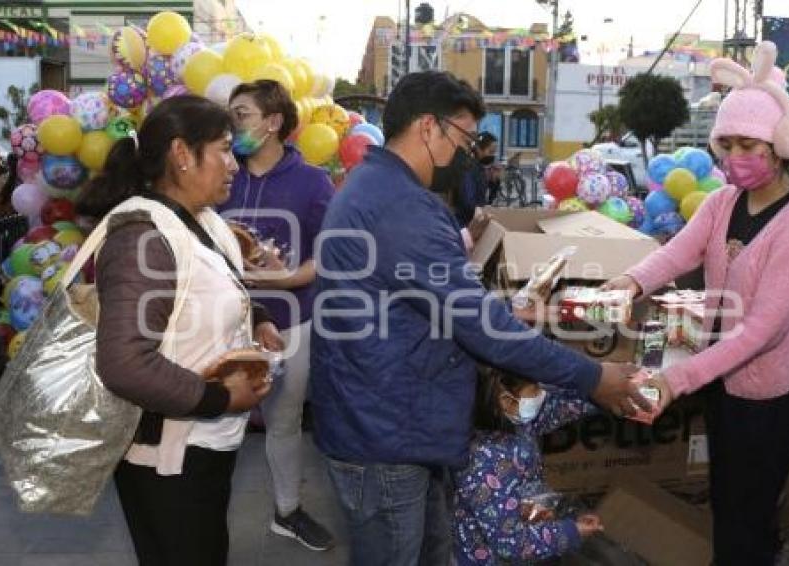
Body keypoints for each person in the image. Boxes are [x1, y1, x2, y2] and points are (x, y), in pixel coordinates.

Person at [311, 70, 649, 566]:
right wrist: (595, 377)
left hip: (385, 420)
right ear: (429, 127)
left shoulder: (373, 186)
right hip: (385, 434)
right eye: (463, 138)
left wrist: (505, 311)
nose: (465, 154)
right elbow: (481, 330)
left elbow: (429, 301)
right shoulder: (402, 207)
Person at [603, 42, 789, 565]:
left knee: (745, 520)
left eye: (748, 145)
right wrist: (631, 282)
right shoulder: (723, 200)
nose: (735, 159)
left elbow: (763, 331)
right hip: (723, 380)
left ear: (782, 145)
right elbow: (680, 251)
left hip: (768, 393)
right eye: (726, 145)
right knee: (731, 503)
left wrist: (674, 380)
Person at [76, 95, 280, 566]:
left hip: (202, 450)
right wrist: (221, 398)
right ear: (182, 154)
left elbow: (206, 290)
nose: (234, 164)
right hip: (169, 461)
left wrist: (260, 316)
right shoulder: (142, 235)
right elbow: (124, 363)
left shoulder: (197, 219)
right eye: (224, 149)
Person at [217, 79, 335, 551]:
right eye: (231, 113)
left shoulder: (312, 182)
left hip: (292, 321)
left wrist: (288, 279)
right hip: (222, 322)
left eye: (242, 114)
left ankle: (287, 511)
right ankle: (200, 516)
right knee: (211, 421)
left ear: (273, 123)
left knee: (283, 421)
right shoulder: (221, 172)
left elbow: (330, 253)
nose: (233, 124)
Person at [454, 370, 603, 564]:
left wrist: (606, 394)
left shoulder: (513, 425)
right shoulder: (485, 460)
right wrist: (572, 532)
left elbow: (558, 409)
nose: (542, 395)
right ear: (506, 400)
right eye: (536, 389)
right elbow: (510, 543)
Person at [454, 131, 497, 227]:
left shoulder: (480, 168)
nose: (493, 155)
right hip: (465, 223)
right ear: (479, 149)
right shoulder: (469, 168)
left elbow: (487, 197)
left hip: (476, 221)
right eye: (491, 151)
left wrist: (494, 181)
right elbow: (468, 201)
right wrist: (480, 209)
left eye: (494, 152)